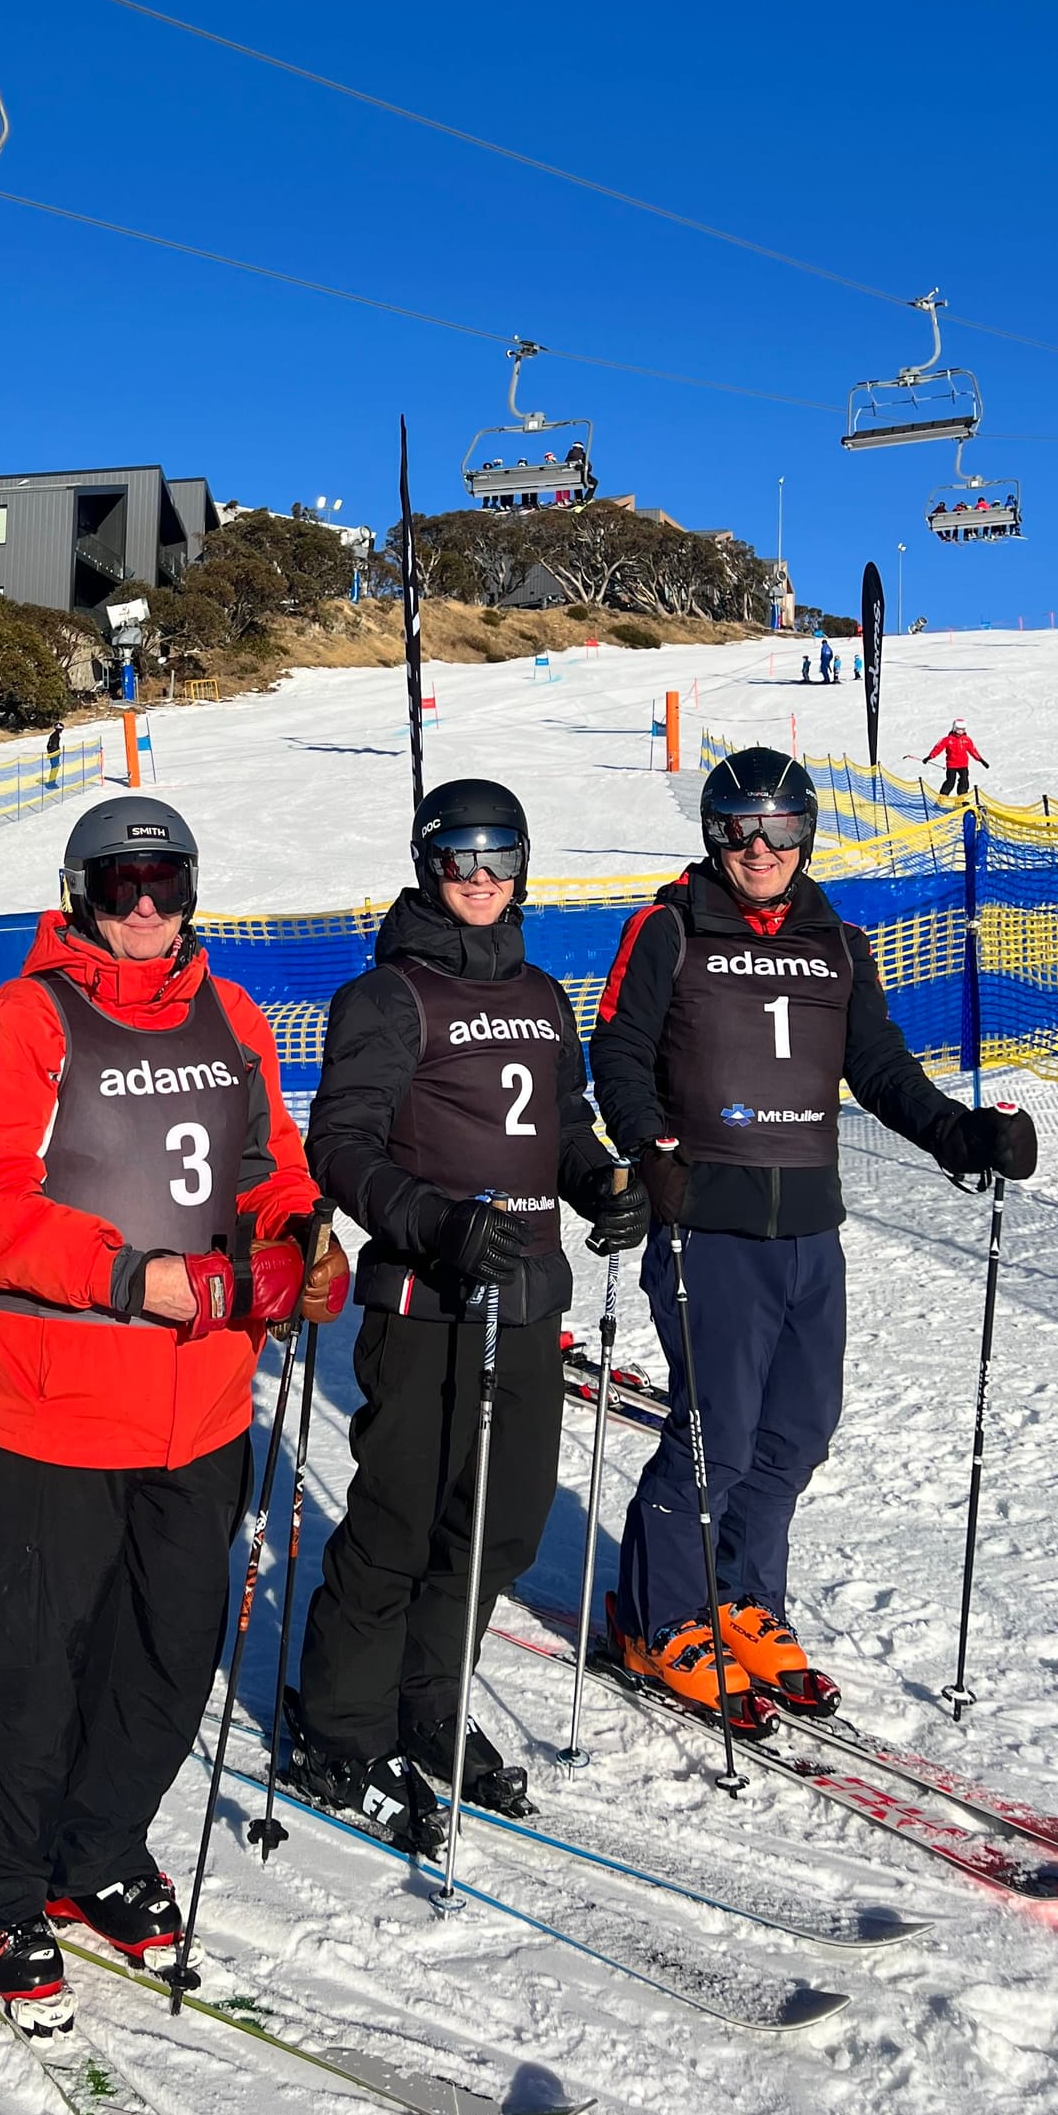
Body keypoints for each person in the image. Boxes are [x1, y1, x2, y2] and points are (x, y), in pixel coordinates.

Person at [0, 796, 344, 2036]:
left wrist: (297, 1238)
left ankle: (97, 1847)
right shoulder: (20, 1023)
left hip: (204, 1404)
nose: (147, 908)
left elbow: (269, 1158)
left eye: (166, 883)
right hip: (50, 1406)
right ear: (78, 894)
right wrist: (133, 1276)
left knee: (168, 1653)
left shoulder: (228, 1014)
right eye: (121, 886)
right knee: (24, 1667)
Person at [590, 749, 1038, 1719]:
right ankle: (657, 1617)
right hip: (708, 1218)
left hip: (806, 1224)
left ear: (804, 833)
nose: (758, 848)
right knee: (716, 1431)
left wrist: (960, 1134)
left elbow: (877, 1068)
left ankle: (743, 1596)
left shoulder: (837, 941)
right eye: (738, 830)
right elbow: (617, 1050)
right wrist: (649, 1143)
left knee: (795, 1429)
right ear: (712, 835)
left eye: (779, 829)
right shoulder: (668, 928)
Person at [288, 780, 649, 1848]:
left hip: (528, 1300)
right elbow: (340, 1144)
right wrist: (434, 1222)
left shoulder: (541, 996)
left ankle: (427, 1703)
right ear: (425, 864)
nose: (479, 879)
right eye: (458, 858)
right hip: (427, 1302)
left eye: (498, 858)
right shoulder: (384, 996)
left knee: (501, 1522)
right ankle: (339, 1724)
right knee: (398, 1521)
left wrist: (601, 1184)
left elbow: (563, 1124)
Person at [923, 722, 988, 799]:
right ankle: (942, 797)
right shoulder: (947, 740)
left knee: (964, 781)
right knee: (950, 781)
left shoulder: (967, 740)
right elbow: (938, 748)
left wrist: (981, 760)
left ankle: (962, 798)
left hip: (963, 764)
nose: (960, 731)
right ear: (954, 728)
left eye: (962, 729)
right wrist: (930, 757)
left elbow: (973, 751)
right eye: (958, 729)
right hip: (952, 764)